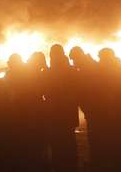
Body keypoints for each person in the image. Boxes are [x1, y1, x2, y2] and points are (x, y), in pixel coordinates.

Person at [45, 44, 80, 172]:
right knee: (69, 142)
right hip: (68, 113)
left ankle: (60, 167)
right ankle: (71, 166)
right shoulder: (71, 70)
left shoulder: (49, 73)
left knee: (57, 145)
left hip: (53, 114)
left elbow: (43, 91)